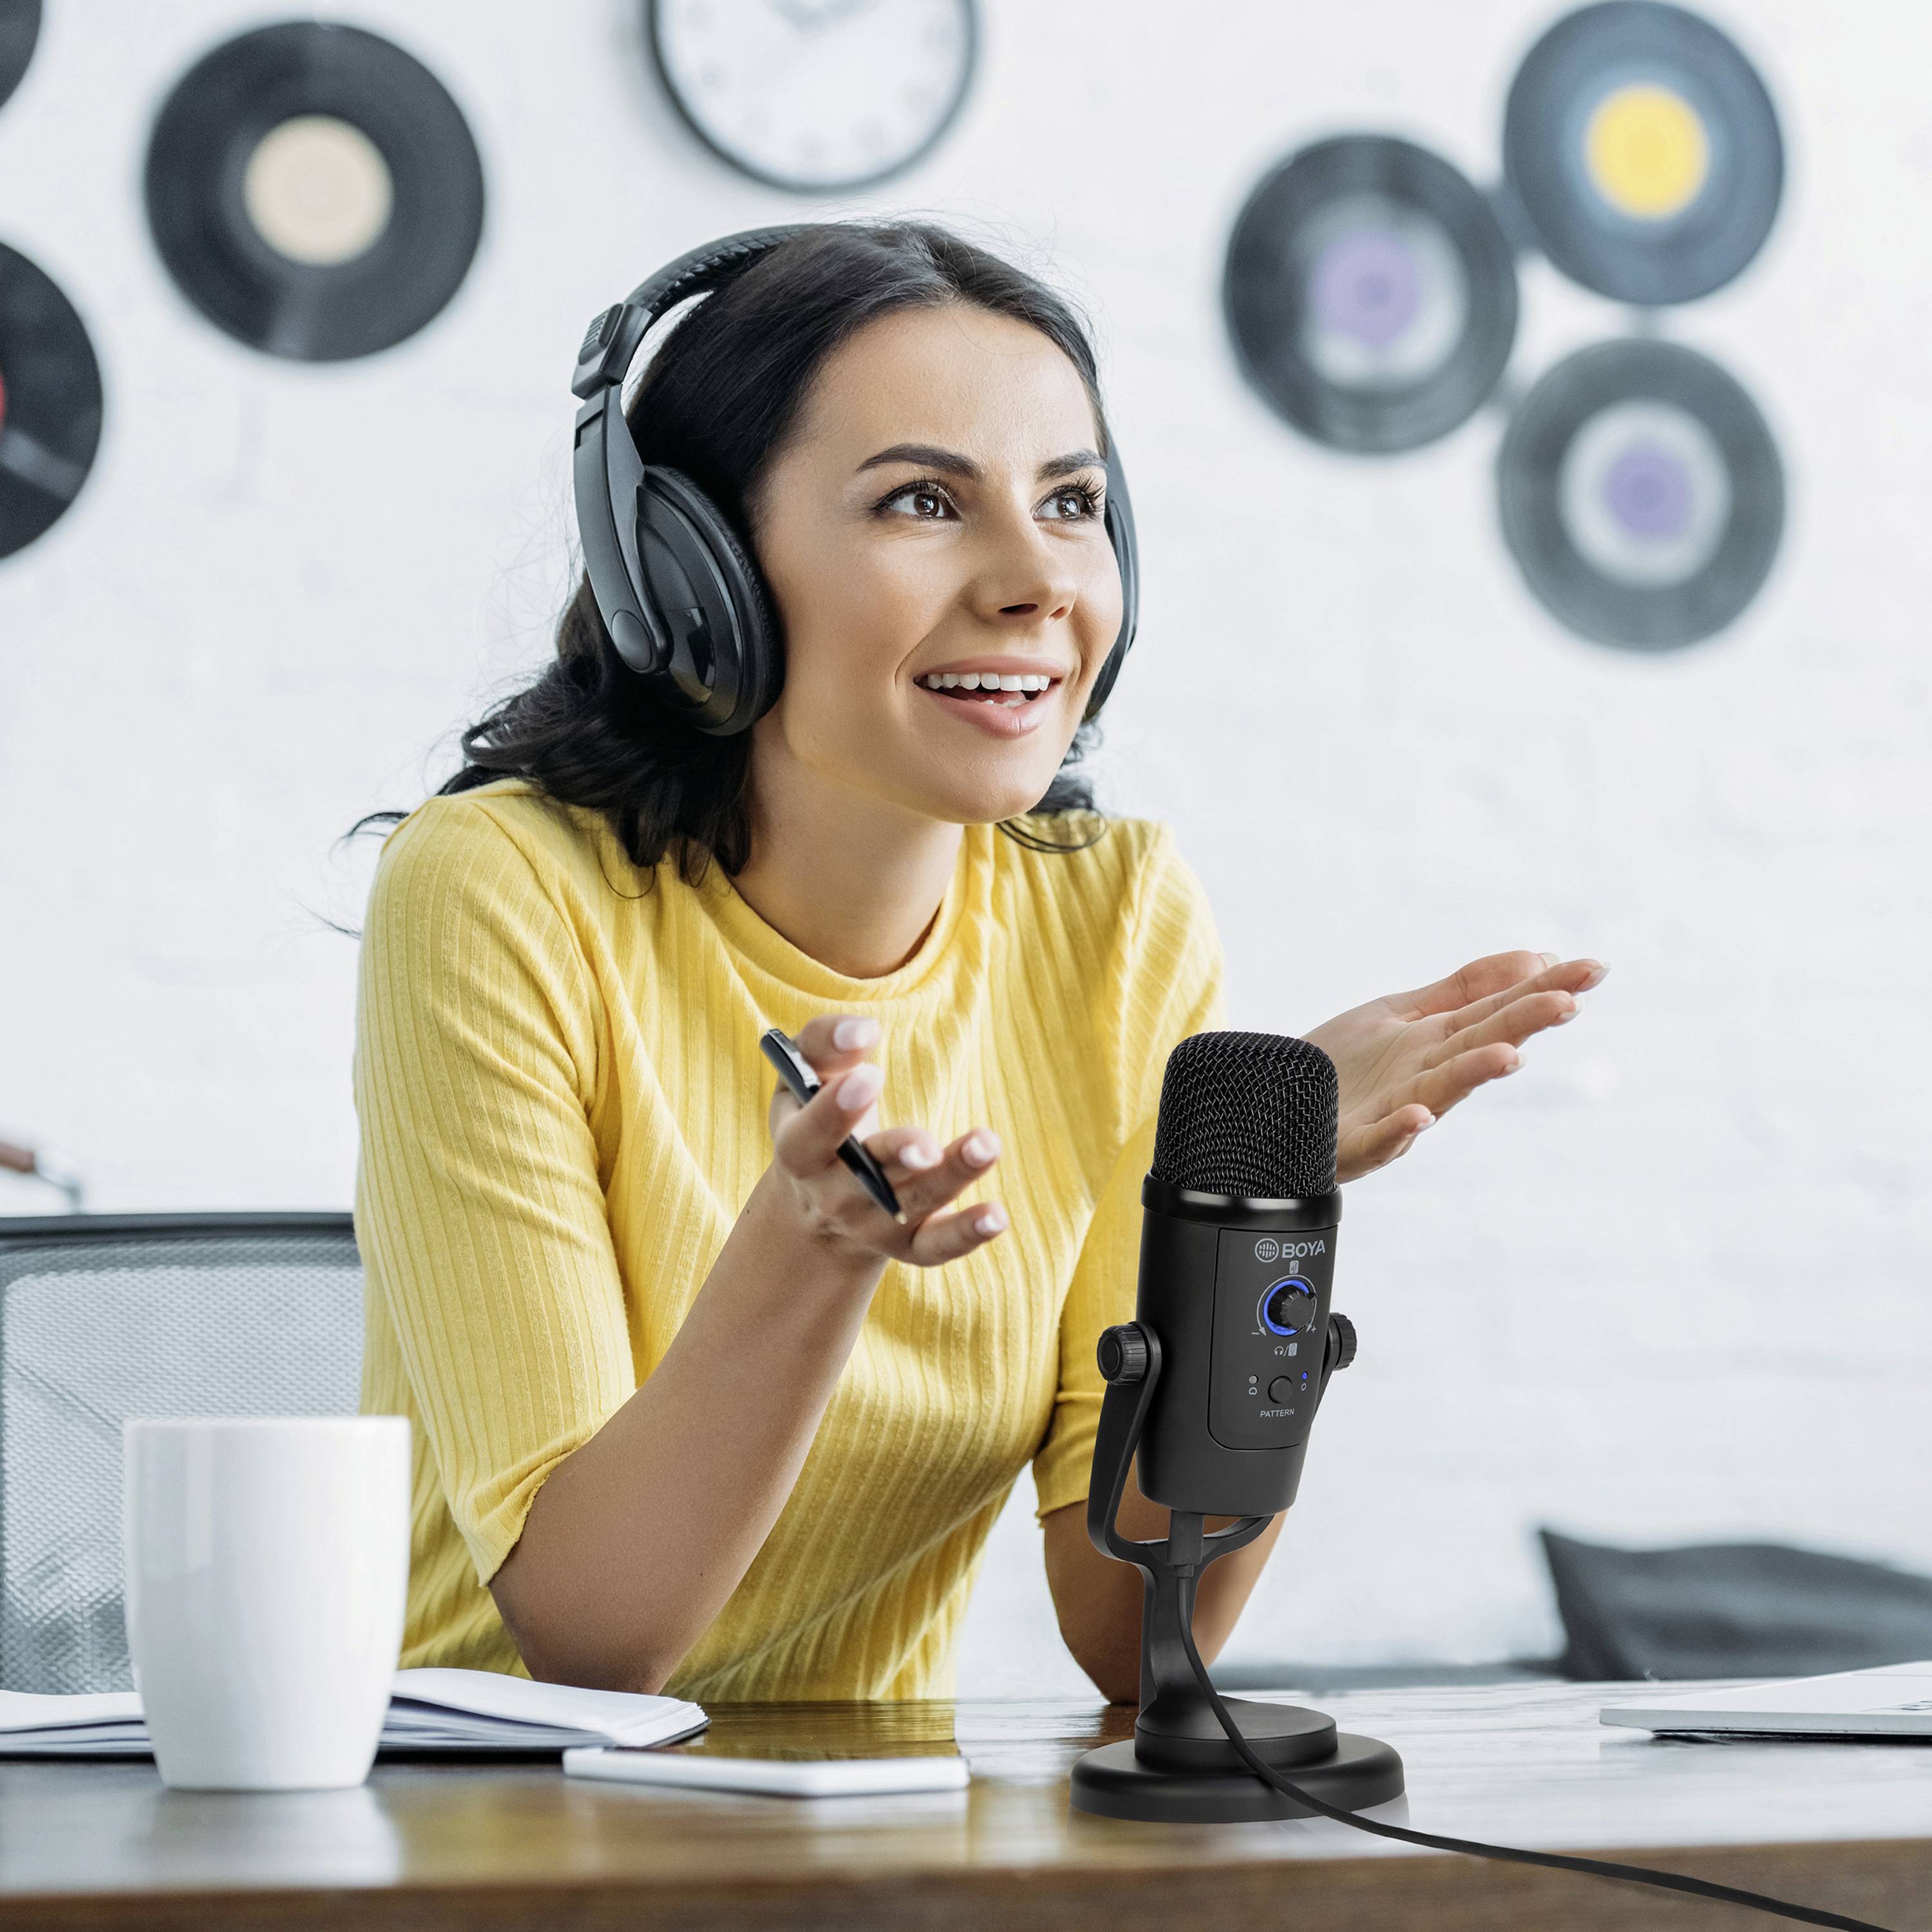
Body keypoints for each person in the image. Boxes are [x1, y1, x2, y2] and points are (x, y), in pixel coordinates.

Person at [352, 222, 1603, 1703]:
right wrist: (811, 1253)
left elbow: (1141, 1631)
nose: (1035, 582)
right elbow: (592, 1641)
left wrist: (1251, 1194)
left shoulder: (1112, 917)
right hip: (477, 1837)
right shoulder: (504, 893)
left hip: (875, 1834)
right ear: (694, 572)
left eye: (1070, 503)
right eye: (924, 502)